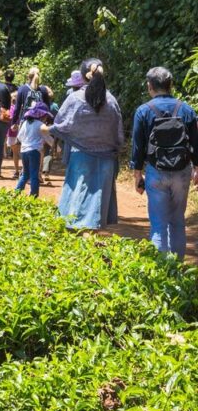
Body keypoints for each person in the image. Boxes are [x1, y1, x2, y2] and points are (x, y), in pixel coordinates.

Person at [46, 58, 124, 230]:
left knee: (77, 200)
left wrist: (48, 129)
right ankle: (91, 238)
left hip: (80, 157)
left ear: (83, 76)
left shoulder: (75, 99)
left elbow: (62, 125)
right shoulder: (111, 101)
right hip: (106, 159)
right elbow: (118, 134)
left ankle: (82, 243)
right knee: (97, 203)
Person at [130, 66, 198, 260]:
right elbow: (196, 142)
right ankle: (177, 268)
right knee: (177, 221)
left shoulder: (143, 111)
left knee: (158, 223)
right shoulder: (186, 109)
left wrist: (137, 174)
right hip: (182, 172)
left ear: (149, 86)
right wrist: (197, 168)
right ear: (171, 86)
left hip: (156, 172)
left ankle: (161, 272)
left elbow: (138, 145)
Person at [15, 102, 54, 197]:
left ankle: (16, 193)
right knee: (34, 175)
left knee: (25, 174)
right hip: (34, 152)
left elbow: (19, 137)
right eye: (45, 116)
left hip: (24, 151)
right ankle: (33, 196)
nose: (46, 118)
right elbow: (49, 138)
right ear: (41, 115)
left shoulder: (25, 123)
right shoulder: (40, 125)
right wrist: (56, 146)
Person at [5, 91, 21, 178]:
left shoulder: (10, 109)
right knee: (21, 153)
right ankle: (22, 170)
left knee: (15, 153)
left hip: (12, 133)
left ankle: (17, 171)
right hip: (22, 133)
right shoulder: (22, 108)